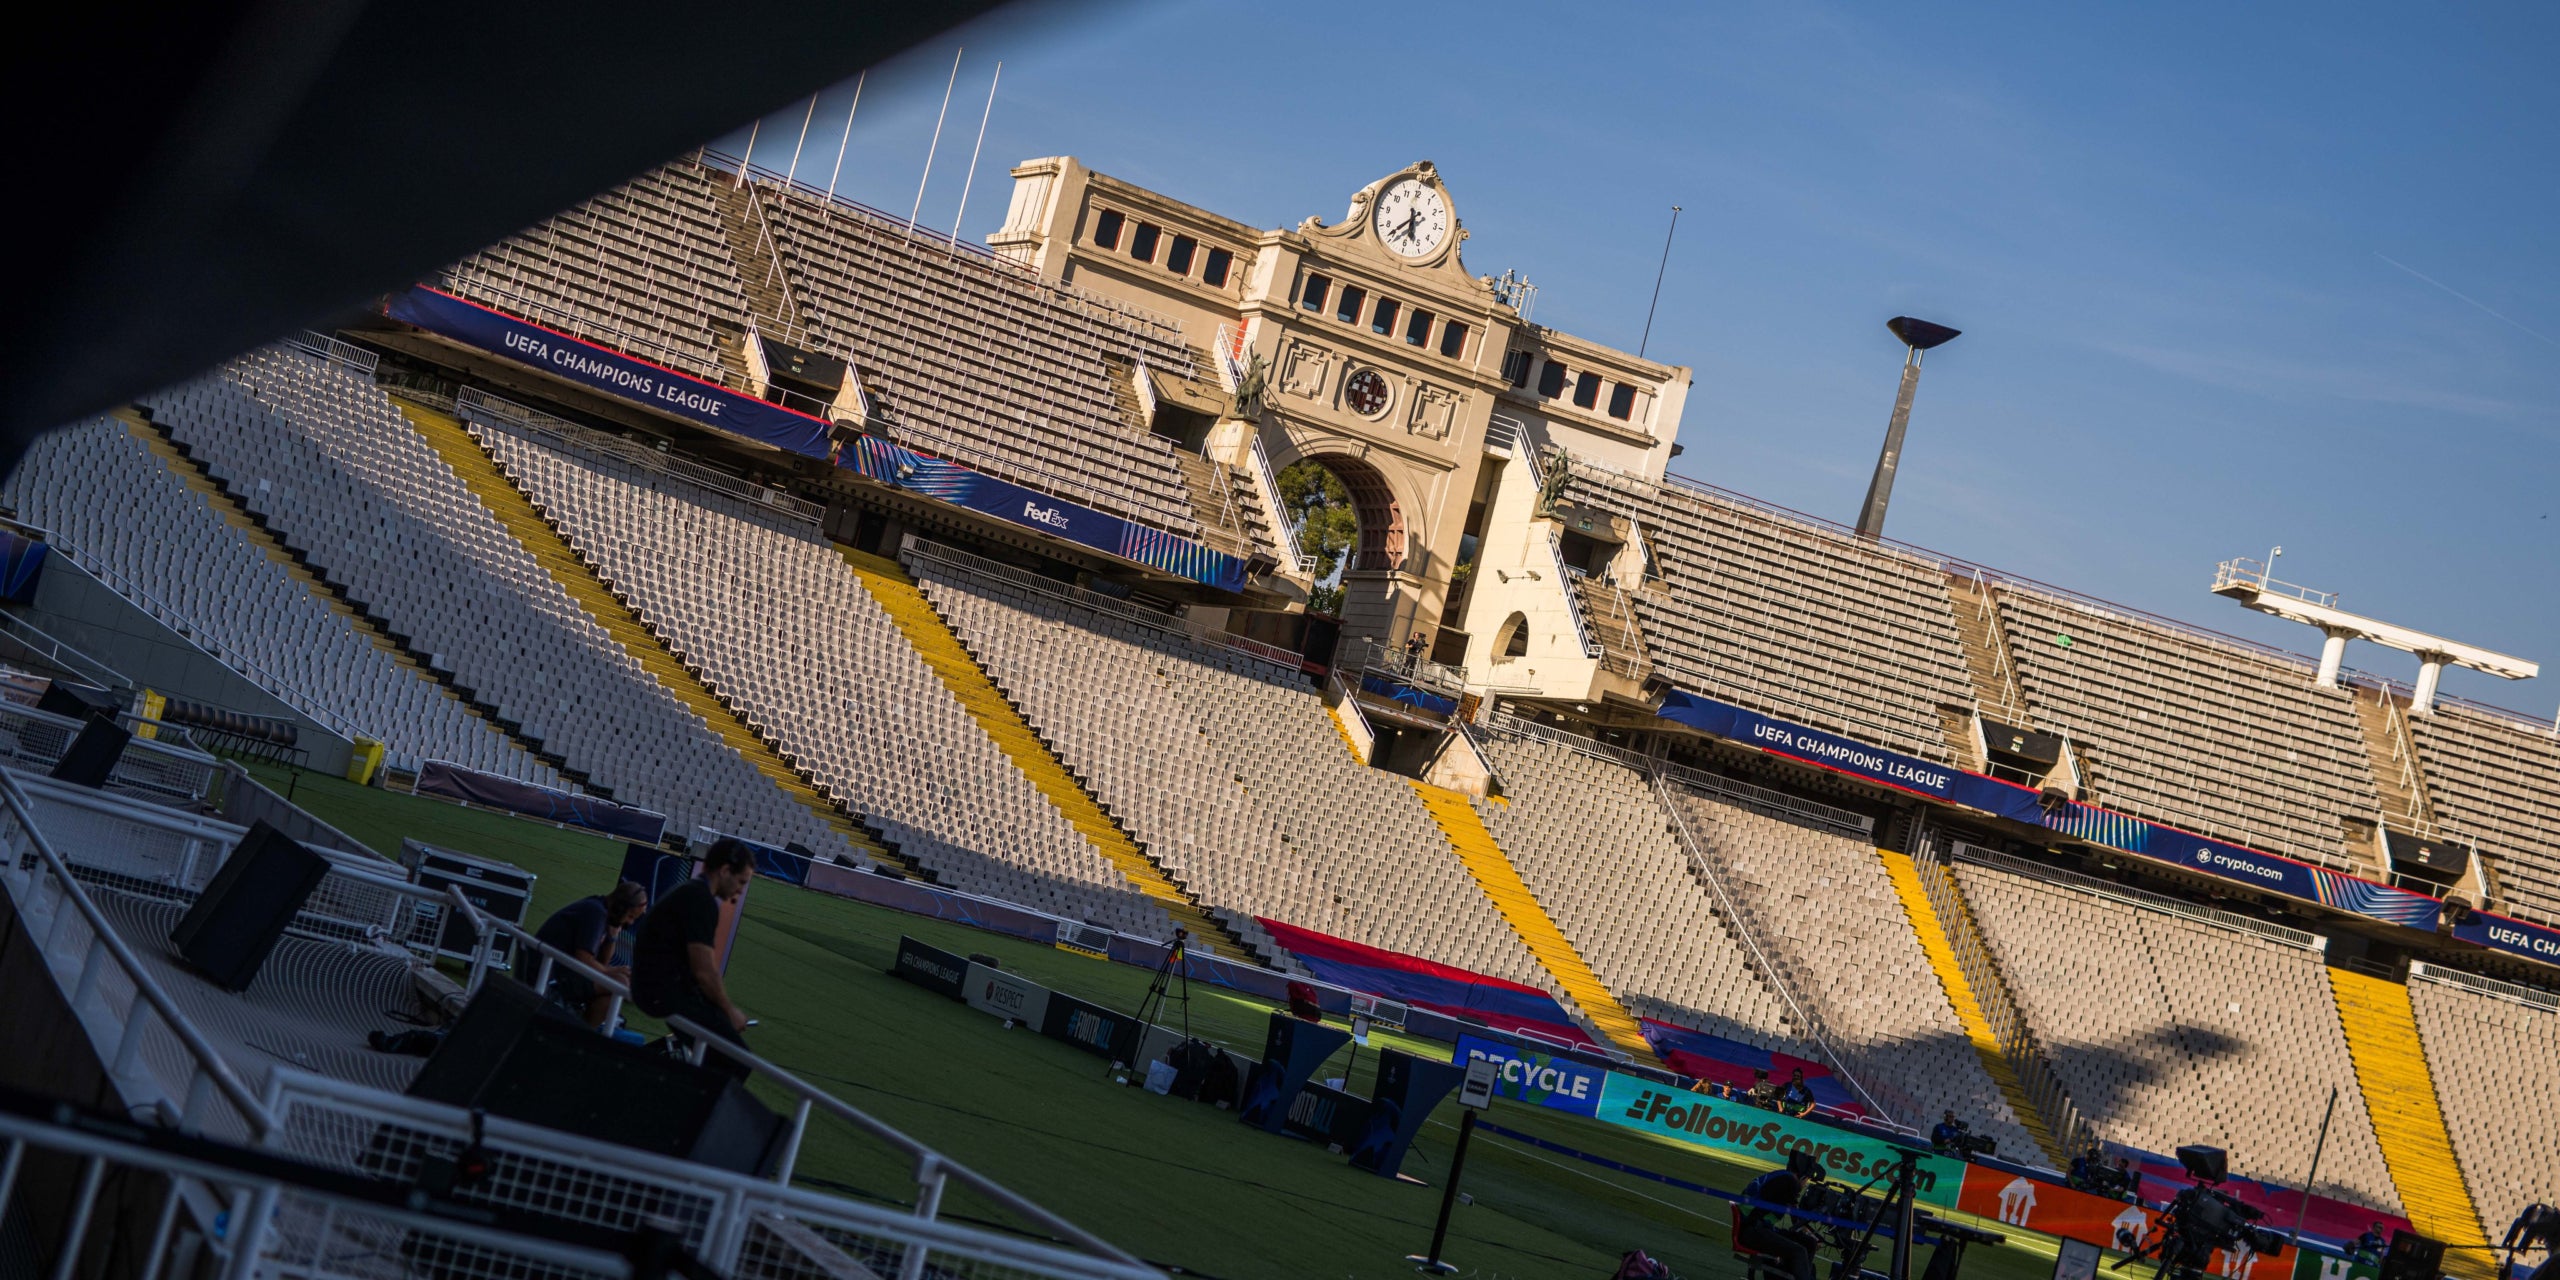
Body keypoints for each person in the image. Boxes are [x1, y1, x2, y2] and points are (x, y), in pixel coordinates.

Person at [632, 838, 755, 1060]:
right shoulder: (700, 899)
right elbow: (704, 971)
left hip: (655, 988)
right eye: (741, 882)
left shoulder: (690, 891)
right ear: (725, 871)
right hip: (665, 993)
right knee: (738, 1059)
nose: (740, 890)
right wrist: (729, 1010)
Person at [532, 880, 648, 1028]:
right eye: (630, 916)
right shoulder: (595, 914)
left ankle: (581, 1034)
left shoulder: (599, 910)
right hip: (549, 977)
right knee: (621, 983)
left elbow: (601, 963)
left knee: (610, 997)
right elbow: (583, 959)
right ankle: (579, 1033)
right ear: (619, 908)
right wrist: (612, 972)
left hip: (556, 971)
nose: (630, 923)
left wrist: (612, 937)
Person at [1737, 1151, 1826, 1280]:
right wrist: (1809, 1232)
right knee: (1799, 1251)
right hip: (1753, 1231)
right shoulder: (1789, 1182)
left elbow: (1794, 1216)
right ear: (1802, 1177)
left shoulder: (1781, 1176)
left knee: (1809, 1243)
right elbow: (1795, 1216)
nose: (1805, 1184)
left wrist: (1808, 1234)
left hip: (1753, 1227)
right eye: (1807, 1180)